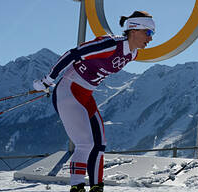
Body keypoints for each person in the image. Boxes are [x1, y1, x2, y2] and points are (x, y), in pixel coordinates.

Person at [33, 11, 155, 192]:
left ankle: (97, 187)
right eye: (149, 33)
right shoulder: (110, 44)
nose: (151, 38)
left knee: (100, 143)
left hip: (86, 95)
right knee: (85, 143)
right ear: (134, 29)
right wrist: (47, 80)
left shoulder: (133, 54)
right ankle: (77, 187)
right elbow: (73, 54)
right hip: (69, 91)